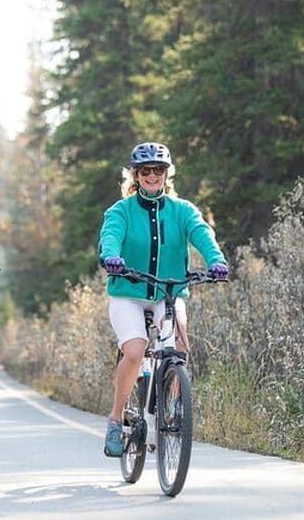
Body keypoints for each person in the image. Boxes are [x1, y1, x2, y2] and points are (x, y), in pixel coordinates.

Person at [97, 141, 228, 457]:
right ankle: (115, 420)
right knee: (135, 349)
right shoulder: (120, 211)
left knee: (178, 343)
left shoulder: (183, 211)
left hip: (167, 292)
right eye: (145, 170)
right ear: (136, 175)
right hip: (128, 292)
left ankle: (169, 405)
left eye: (158, 169)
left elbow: (202, 234)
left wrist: (216, 261)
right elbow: (110, 236)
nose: (152, 175)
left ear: (167, 174)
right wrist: (111, 256)